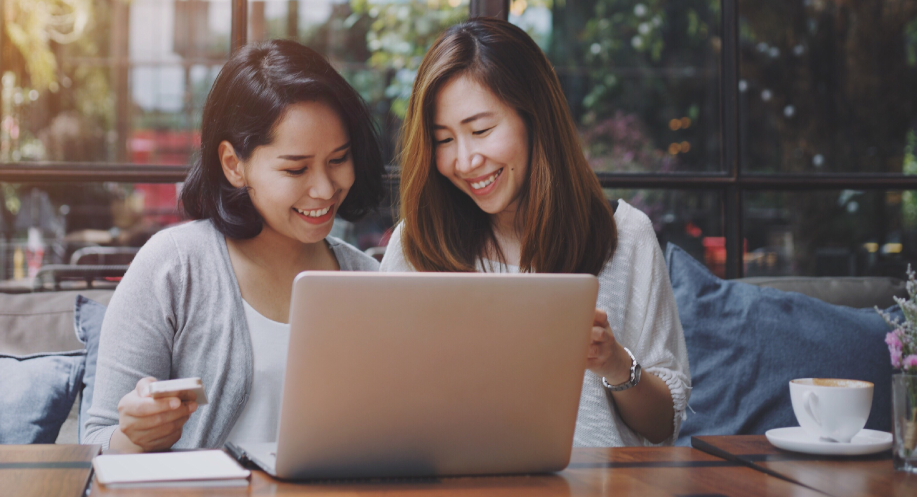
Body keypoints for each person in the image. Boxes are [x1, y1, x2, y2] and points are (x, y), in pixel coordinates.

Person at [380, 18, 690, 446]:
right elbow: (379, 406)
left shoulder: (625, 234)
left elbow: (664, 425)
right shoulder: (417, 243)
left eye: (481, 130)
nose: (465, 161)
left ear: (534, 118)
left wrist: (615, 362)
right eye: (443, 140)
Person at [83, 39, 385, 452]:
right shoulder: (173, 267)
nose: (325, 188)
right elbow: (94, 442)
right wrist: (134, 438)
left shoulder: (370, 282)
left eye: (338, 159)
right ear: (233, 164)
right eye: (296, 168)